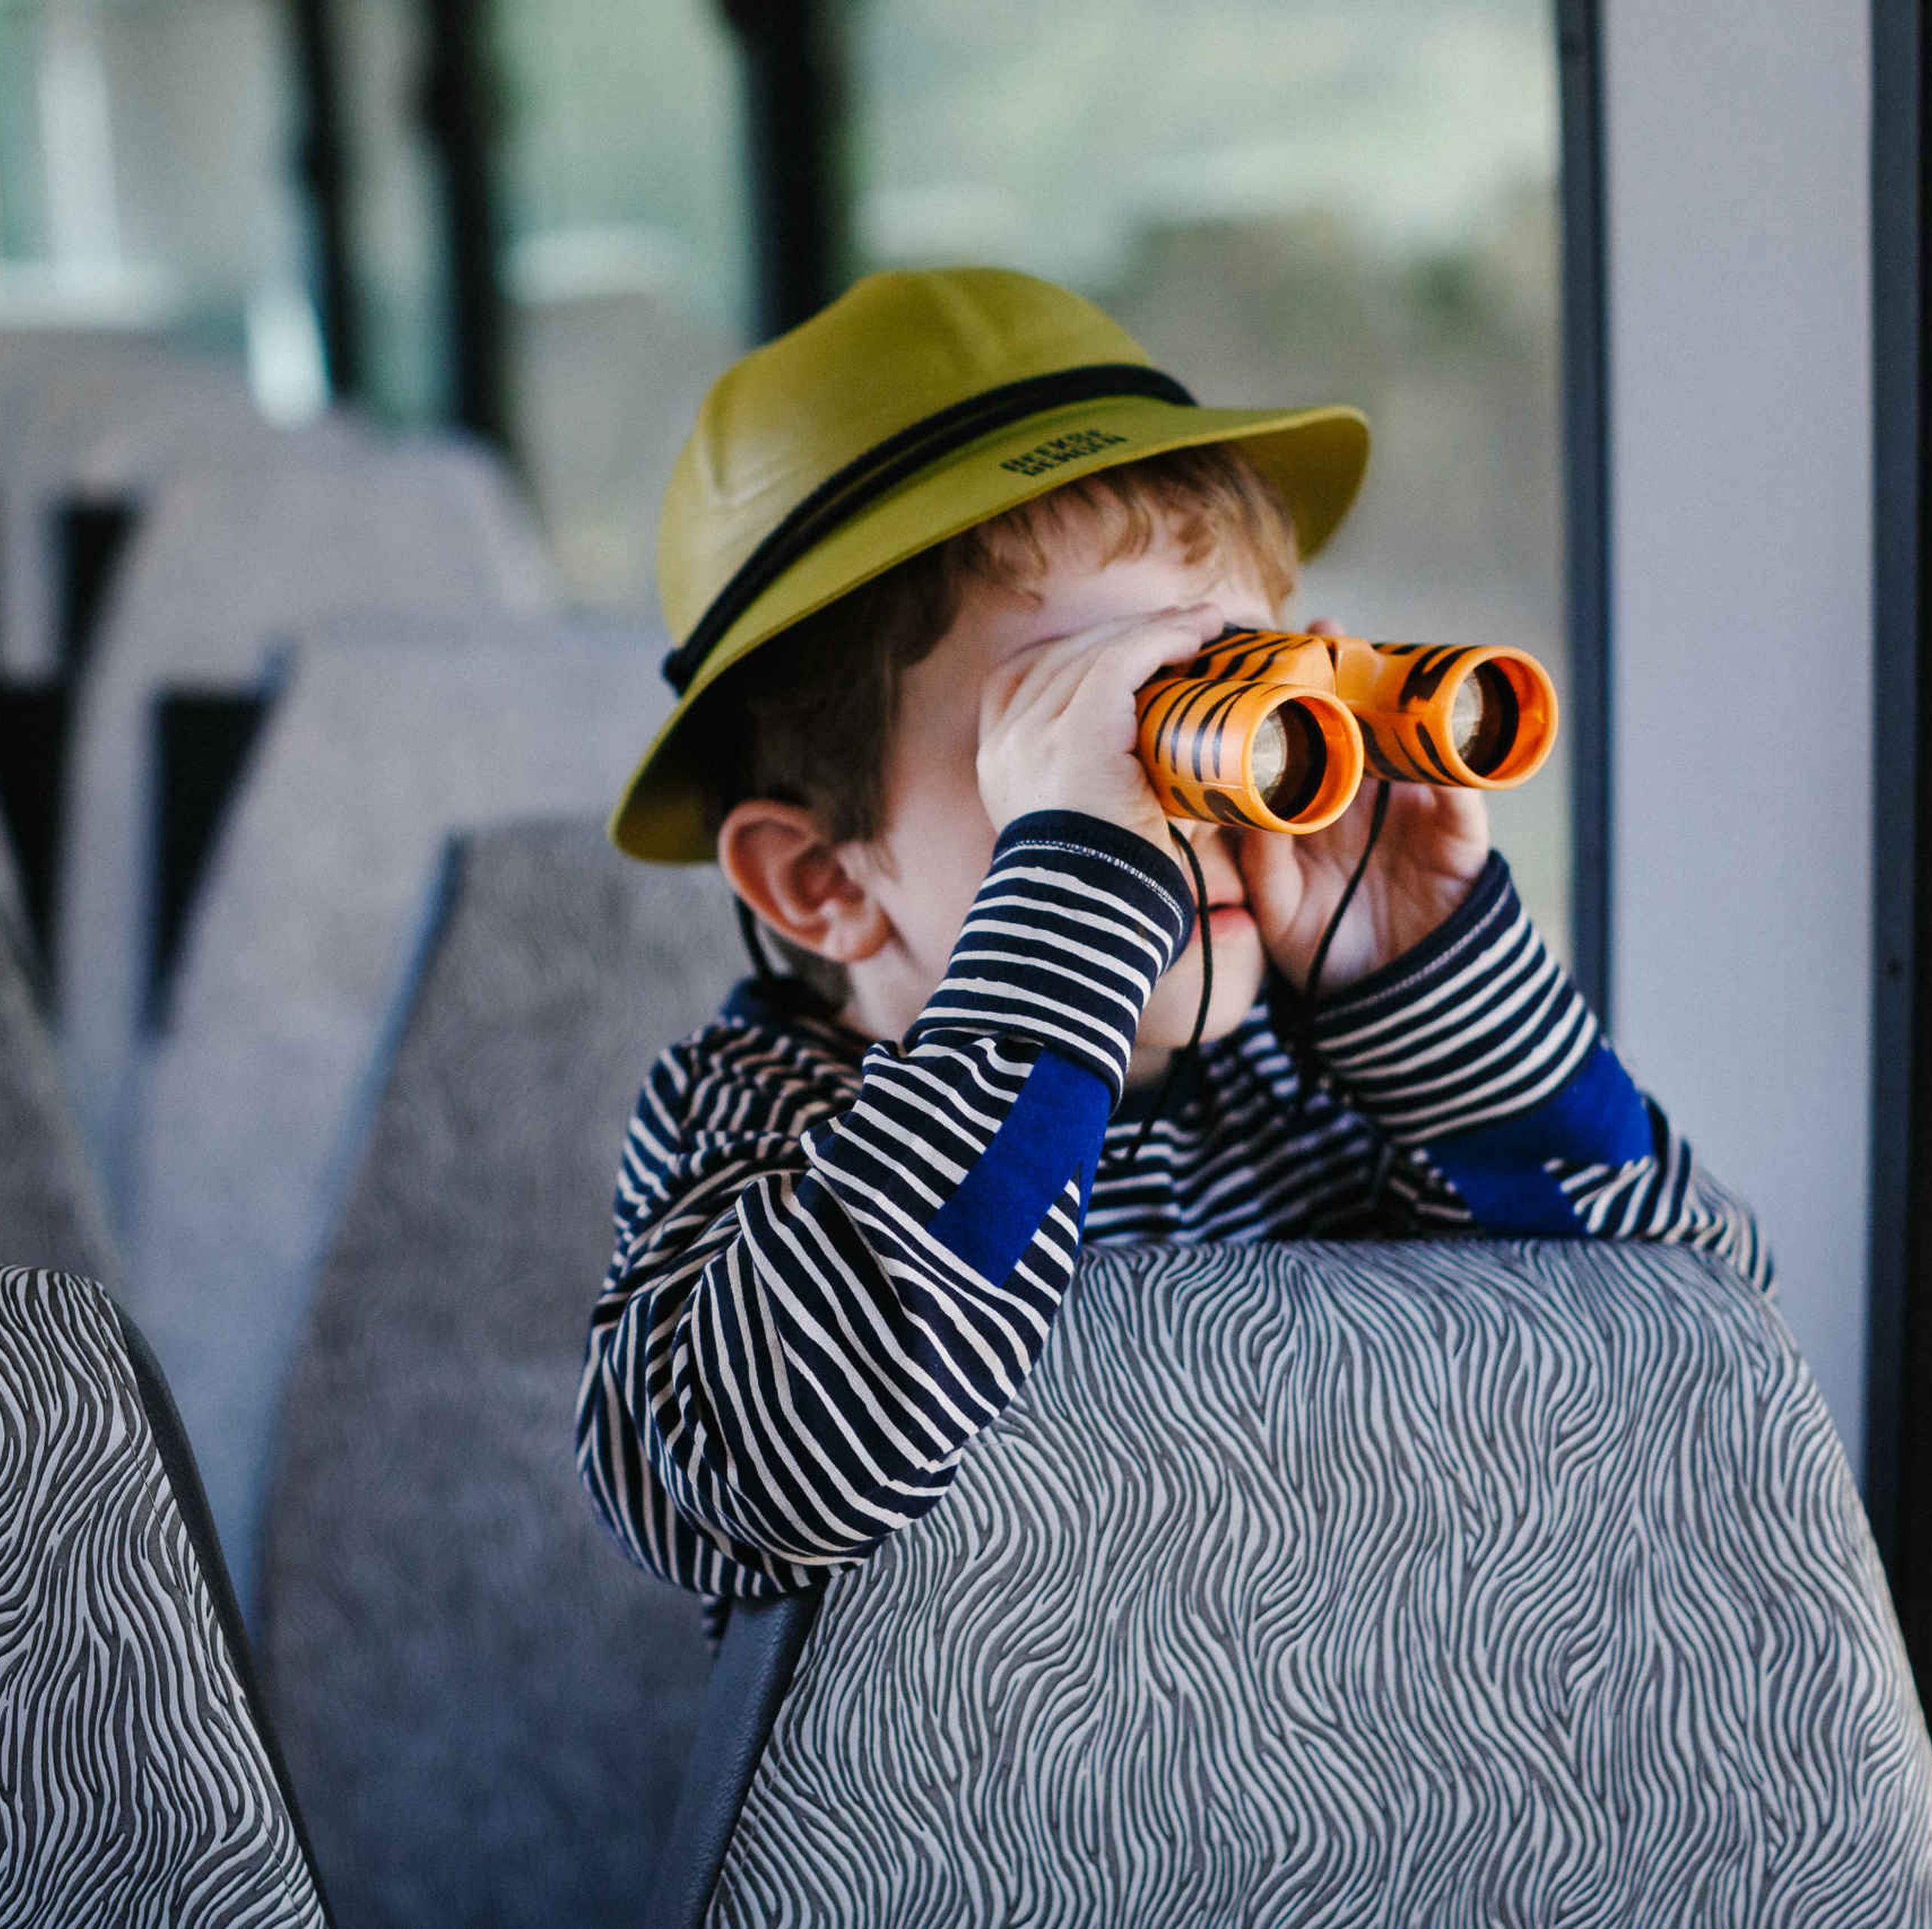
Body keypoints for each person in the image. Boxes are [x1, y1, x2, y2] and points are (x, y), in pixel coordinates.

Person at [577, 267, 1766, 1606]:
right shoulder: (752, 1121)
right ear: (820, 881)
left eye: (1225, 717)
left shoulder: (1323, 1092)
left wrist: (1430, 989)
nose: (1186, 811)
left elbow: (1694, 1369)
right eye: (1079, 741)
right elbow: (763, 1483)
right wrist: (1073, 900)